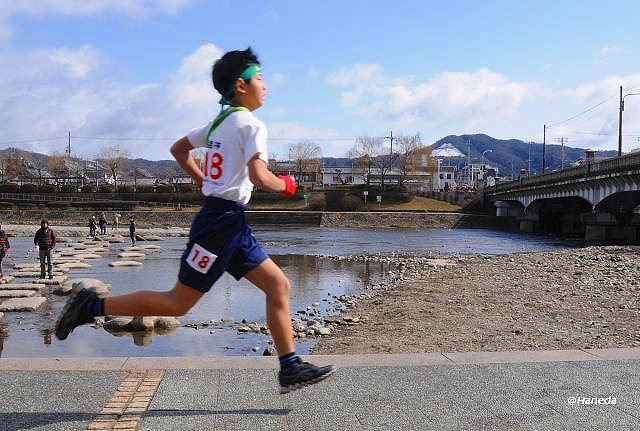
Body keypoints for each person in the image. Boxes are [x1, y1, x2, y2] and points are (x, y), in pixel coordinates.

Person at [55, 48, 334, 393]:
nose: (265, 85)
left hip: (230, 221)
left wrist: (202, 179)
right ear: (240, 85)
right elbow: (260, 176)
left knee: (279, 286)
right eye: (259, 78)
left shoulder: (219, 123)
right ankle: (91, 305)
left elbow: (178, 150)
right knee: (178, 303)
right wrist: (288, 184)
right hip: (220, 226)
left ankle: (290, 366)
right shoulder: (250, 124)